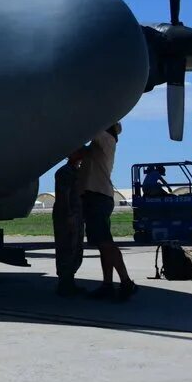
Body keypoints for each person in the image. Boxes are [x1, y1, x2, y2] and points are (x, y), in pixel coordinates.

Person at [79, 123, 136, 301]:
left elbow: (89, 128)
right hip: (96, 196)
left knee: (106, 243)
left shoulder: (106, 139)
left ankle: (126, 282)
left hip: (97, 196)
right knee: (103, 245)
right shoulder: (98, 146)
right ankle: (107, 284)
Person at [52, 149, 86, 296]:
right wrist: (69, 215)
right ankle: (65, 284)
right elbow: (63, 197)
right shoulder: (64, 173)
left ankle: (69, 282)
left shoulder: (76, 172)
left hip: (76, 216)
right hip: (67, 216)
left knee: (76, 248)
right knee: (67, 248)